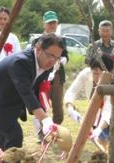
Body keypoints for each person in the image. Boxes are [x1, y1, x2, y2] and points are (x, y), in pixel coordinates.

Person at [0, 33, 65, 163]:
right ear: (38, 49)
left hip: (11, 103)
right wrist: (45, 120)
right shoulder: (21, 62)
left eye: (57, 57)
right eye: (50, 55)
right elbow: (26, 92)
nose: (53, 61)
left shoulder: (46, 65)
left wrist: (45, 119)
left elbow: (37, 92)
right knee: (14, 135)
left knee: (5, 140)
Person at [31, 11, 68, 142]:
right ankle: (41, 134)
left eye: (54, 23)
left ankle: (55, 132)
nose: (52, 25)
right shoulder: (37, 40)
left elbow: (66, 57)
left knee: (58, 106)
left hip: (57, 77)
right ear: (44, 24)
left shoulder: (62, 40)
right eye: (49, 23)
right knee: (41, 105)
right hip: (42, 78)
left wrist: (61, 61)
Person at [64, 55, 114, 150]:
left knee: (103, 135)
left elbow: (107, 109)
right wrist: (70, 108)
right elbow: (72, 91)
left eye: (100, 74)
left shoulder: (111, 82)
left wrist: (100, 128)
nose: (98, 77)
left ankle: (103, 151)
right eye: (95, 73)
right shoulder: (86, 74)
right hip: (95, 107)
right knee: (92, 133)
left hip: (113, 109)